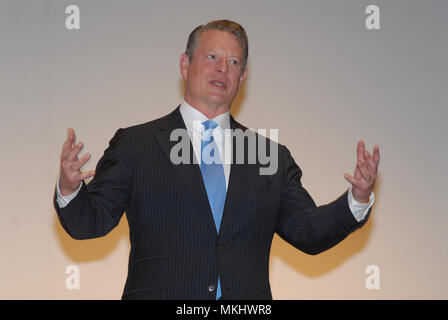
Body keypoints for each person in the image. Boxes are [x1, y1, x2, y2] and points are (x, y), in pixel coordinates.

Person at [54, 20, 380, 300]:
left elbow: (309, 232)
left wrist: (357, 198)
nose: (223, 68)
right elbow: (89, 222)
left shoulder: (269, 155)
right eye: (212, 57)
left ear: (243, 77)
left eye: (234, 62)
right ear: (185, 64)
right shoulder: (137, 144)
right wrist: (70, 188)